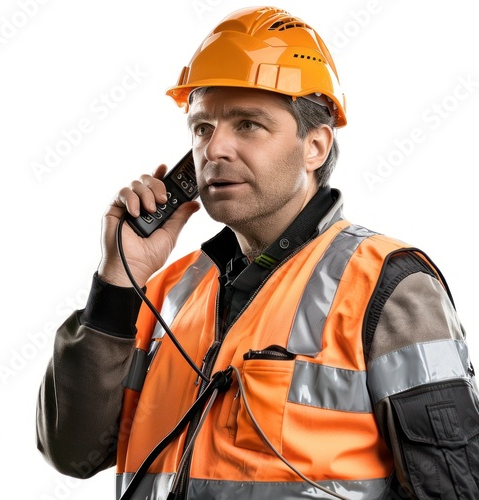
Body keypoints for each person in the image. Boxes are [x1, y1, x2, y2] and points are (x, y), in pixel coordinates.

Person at [36, 6, 479, 500]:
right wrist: (118, 280)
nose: (214, 148)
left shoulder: (387, 285)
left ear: (314, 146)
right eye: (202, 128)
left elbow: (453, 487)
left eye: (247, 124)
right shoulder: (162, 291)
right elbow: (72, 452)